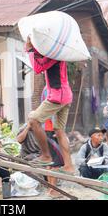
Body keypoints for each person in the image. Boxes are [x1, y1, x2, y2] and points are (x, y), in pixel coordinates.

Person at [24, 37, 75, 173]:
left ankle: (46, 156)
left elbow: (37, 67)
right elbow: (39, 58)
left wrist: (29, 50)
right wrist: (31, 49)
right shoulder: (56, 53)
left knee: (33, 120)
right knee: (59, 131)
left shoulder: (54, 54)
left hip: (57, 96)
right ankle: (69, 166)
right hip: (65, 95)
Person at [17, 121, 65, 198]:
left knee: (52, 165)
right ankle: (50, 188)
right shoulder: (25, 128)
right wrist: (27, 128)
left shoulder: (43, 129)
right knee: (42, 169)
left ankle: (51, 188)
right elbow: (19, 140)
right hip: (29, 156)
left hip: (43, 155)